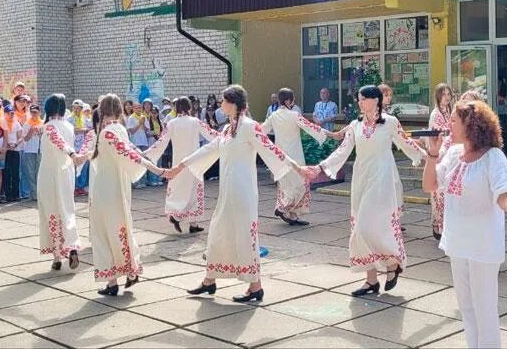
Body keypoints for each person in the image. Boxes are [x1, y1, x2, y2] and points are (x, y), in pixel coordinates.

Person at [166, 85, 310, 303]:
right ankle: (209, 280)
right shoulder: (227, 129)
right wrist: (181, 166)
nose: (221, 105)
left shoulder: (250, 127)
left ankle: (255, 286)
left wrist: (299, 169)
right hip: (228, 191)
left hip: (243, 192)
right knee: (218, 232)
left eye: (224, 101)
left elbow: (273, 150)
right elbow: (209, 149)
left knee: (244, 235)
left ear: (233, 103)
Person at [422, 100, 507, 349]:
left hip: (482, 245)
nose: (448, 125)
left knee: (484, 310)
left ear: (471, 125)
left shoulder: (493, 158)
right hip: (457, 243)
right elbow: (430, 185)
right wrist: (432, 153)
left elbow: (503, 194)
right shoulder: (454, 154)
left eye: (453, 121)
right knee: (466, 308)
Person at [304, 85, 426, 297]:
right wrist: (320, 167)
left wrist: (430, 157)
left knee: (370, 227)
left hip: (382, 180)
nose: (359, 103)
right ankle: (371, 280)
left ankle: (393, 263)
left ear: (375, 100)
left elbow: (407, 145)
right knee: (359, 230)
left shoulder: (390, 123)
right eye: (358, 99)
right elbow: (342, 151)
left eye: (362, 99)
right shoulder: (355, 125)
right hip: (361, 179)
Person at [86, 94, 168, 296]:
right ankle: (130, 270)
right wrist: (152, 166)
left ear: (102, 111)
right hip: (120, 187)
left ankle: (112, 280)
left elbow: (127, 152)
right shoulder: (120, 129)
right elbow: (131, 151)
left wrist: (156, 170)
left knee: (103, 232)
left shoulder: (105, 133)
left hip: (105, 188)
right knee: (122, 228)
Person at [144, 97, 218, 234]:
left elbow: (161, 141)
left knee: (179, 190)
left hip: (177, 164)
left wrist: (148, 153)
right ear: (189, 107)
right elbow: (212, 134)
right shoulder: (195, 122)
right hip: (193, 161)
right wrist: (227, 137)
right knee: (194, 191)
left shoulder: (171, 123)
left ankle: (179, 216)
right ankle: (190, 221)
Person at [263, 88, 328, 226]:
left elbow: (260, 131)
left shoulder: (273, 116)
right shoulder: (294, 115)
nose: (293, 102)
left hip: (280, 157)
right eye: (292, 99)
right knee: (301, 183)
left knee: (286, 184)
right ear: (287, 101)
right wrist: (329, 134)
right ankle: (283, 207)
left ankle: (292, 216)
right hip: (296, 156)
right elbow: (310, 127)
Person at [37, 94, 87, 270]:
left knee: (51, 210)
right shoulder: (68, 125)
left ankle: (57, 256)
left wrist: (72, 154)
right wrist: (73, 155)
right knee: (67, 208)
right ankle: (72, 247)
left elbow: (59, 142)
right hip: (66, 173)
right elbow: (64, 143)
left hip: (50, 172)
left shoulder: (49, 127)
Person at [428, 83, 454, 241]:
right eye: (444, 94)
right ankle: (437, 224)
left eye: (449, 94)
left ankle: (447, 226)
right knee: (438, 193)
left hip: (451, 155)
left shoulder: (451, 112)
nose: (447, 97)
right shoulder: (435, 114)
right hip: (440, 156)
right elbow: (433, 136)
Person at [2, 100, 25, 202]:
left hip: (15, 149)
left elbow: (20, 137)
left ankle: (16, 194)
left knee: (15, 173)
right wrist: (7, 145)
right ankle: (8, 195)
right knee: (7, 172)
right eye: (9, 113)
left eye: (12, 113)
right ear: (5, 114)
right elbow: (1, 136)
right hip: (6, 150)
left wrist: (15, 144)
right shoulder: (2, 122)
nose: (11, 115)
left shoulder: (16, 124)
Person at [68, 100, 91, 195]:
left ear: (82, 109)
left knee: (83, 167)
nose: (76, 110)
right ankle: (74, 187)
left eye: (78, 108)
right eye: (74, 108)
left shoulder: (85, 119)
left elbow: (90, 129)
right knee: (74, 167)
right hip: (73, 146)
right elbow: (71, 130)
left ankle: (81, 187)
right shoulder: (69, 119)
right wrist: (82, 130)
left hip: (83, 146)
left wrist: (84, 130)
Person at [125, 102, 150, 188]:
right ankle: (137, 182)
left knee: (144, 162)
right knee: (136, 162)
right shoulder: (131, 118)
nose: (138, 109)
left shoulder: (143, 117)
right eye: (136, 108)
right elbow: (131, 131)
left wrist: (143, 123)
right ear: (133, 109)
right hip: (135, 143)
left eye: (140, 108)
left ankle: (143, 181)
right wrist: (139, 123)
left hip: (144, 142)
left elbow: (147, 130)